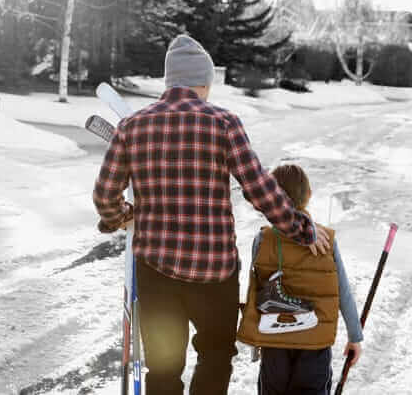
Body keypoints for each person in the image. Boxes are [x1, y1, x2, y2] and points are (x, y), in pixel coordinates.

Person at [92, 35, 330, 395]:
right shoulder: (224, 123)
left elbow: (104, 195)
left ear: (170, 81)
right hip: (214, 273)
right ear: (203, 82)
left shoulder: (132, 126)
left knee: (164, 368)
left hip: (155, 272)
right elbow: (260, 190)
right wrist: (302, 229)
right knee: (216, 357)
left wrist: (119, 216)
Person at [236, 164, 364, 395]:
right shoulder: (326, 241)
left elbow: (254, 290)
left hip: (275, 340)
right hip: (315, 341)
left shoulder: (262, 240)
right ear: (309, 195)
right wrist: (354, 336)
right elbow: (342, 290)